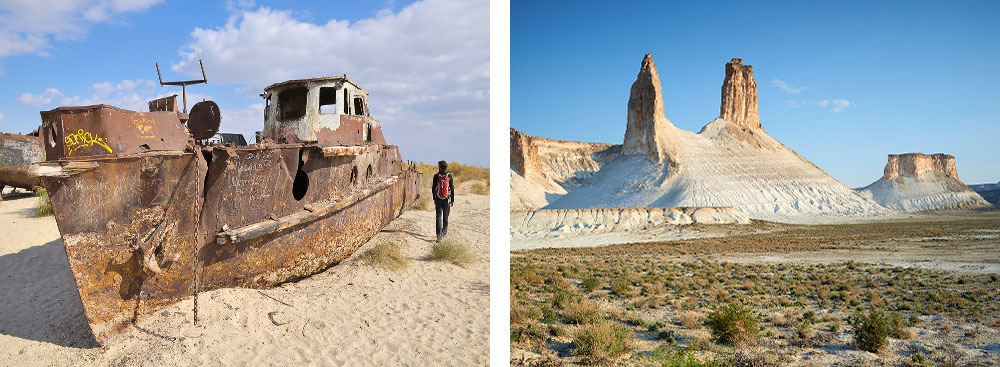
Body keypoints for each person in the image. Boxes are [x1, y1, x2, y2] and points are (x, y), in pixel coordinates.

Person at [432, 160, 455, 240]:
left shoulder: (436, 176)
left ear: (439, 167)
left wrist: (434, 198)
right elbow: (452, 188)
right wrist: (452, 200)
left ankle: (439, 236)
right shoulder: (449, 176)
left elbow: (433, 188)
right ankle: (444, 233)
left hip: (438, 199)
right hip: (447, 200)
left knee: (438, 217)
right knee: (445, 217)